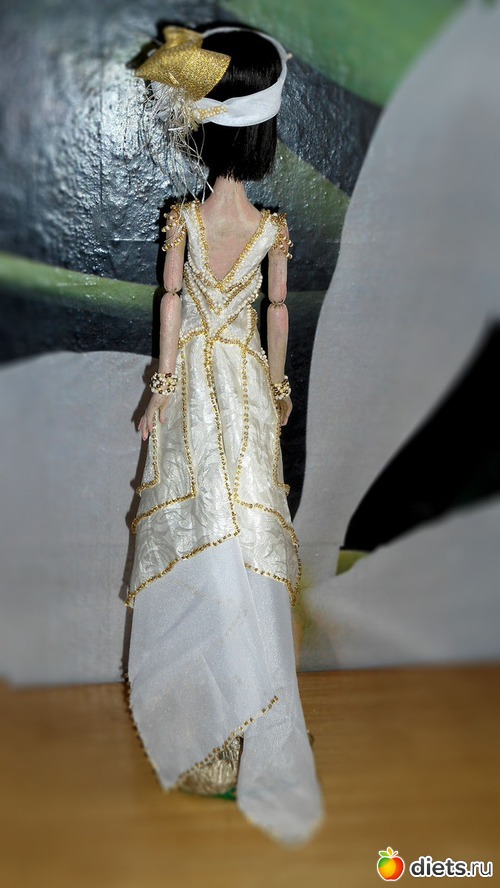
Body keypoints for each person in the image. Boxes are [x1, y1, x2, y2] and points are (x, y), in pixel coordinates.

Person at [125, 24, 323, 844]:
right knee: (226, 529)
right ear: (264, 133)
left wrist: (168, 386)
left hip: (211, 387)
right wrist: (274, 388)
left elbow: (176, 307)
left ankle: (230, 716)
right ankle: (216, 715)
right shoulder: (268, 228)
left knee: (220, 527)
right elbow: (273, 315)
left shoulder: (190, 220)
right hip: (237, 383)